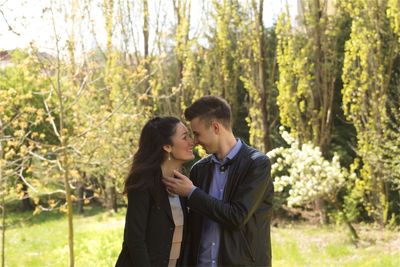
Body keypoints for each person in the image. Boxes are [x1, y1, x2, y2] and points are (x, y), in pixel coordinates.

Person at [162, 96, 274, 267]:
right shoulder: (199, 170)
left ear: (215, 127)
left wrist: (192, 193)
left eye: (197, 134)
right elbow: (191, 230)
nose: (195, 141)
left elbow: (237, 216)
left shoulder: (257, 164)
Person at [116, 116, 195, 267]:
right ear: (167, 146)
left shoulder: (183, 183)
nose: (192, 142)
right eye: (185, 137)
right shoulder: (143, 183)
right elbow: (135, 240)